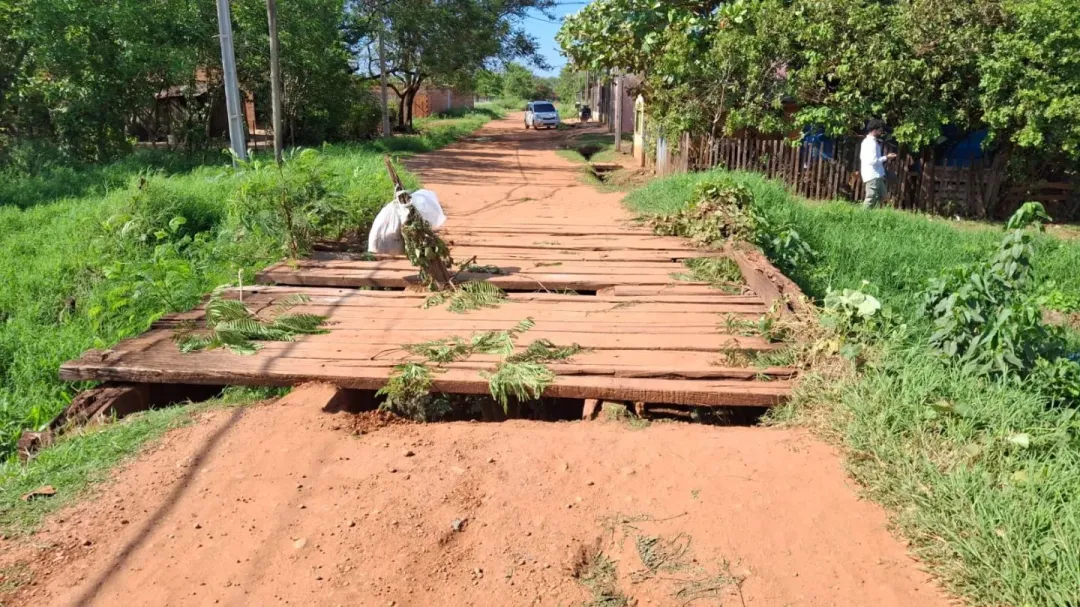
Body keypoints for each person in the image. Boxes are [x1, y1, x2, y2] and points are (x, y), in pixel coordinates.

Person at [860, 119, 896, 209]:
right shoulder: (870, 143)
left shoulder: (872, 142)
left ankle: (873, 216)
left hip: (877, 174)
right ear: (874, 130)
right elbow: (872, 160)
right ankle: (861, 216)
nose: (881, 132)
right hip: (872, 175)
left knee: (883, 197)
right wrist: (887, 157)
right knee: (871, 197)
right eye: (880, 130)